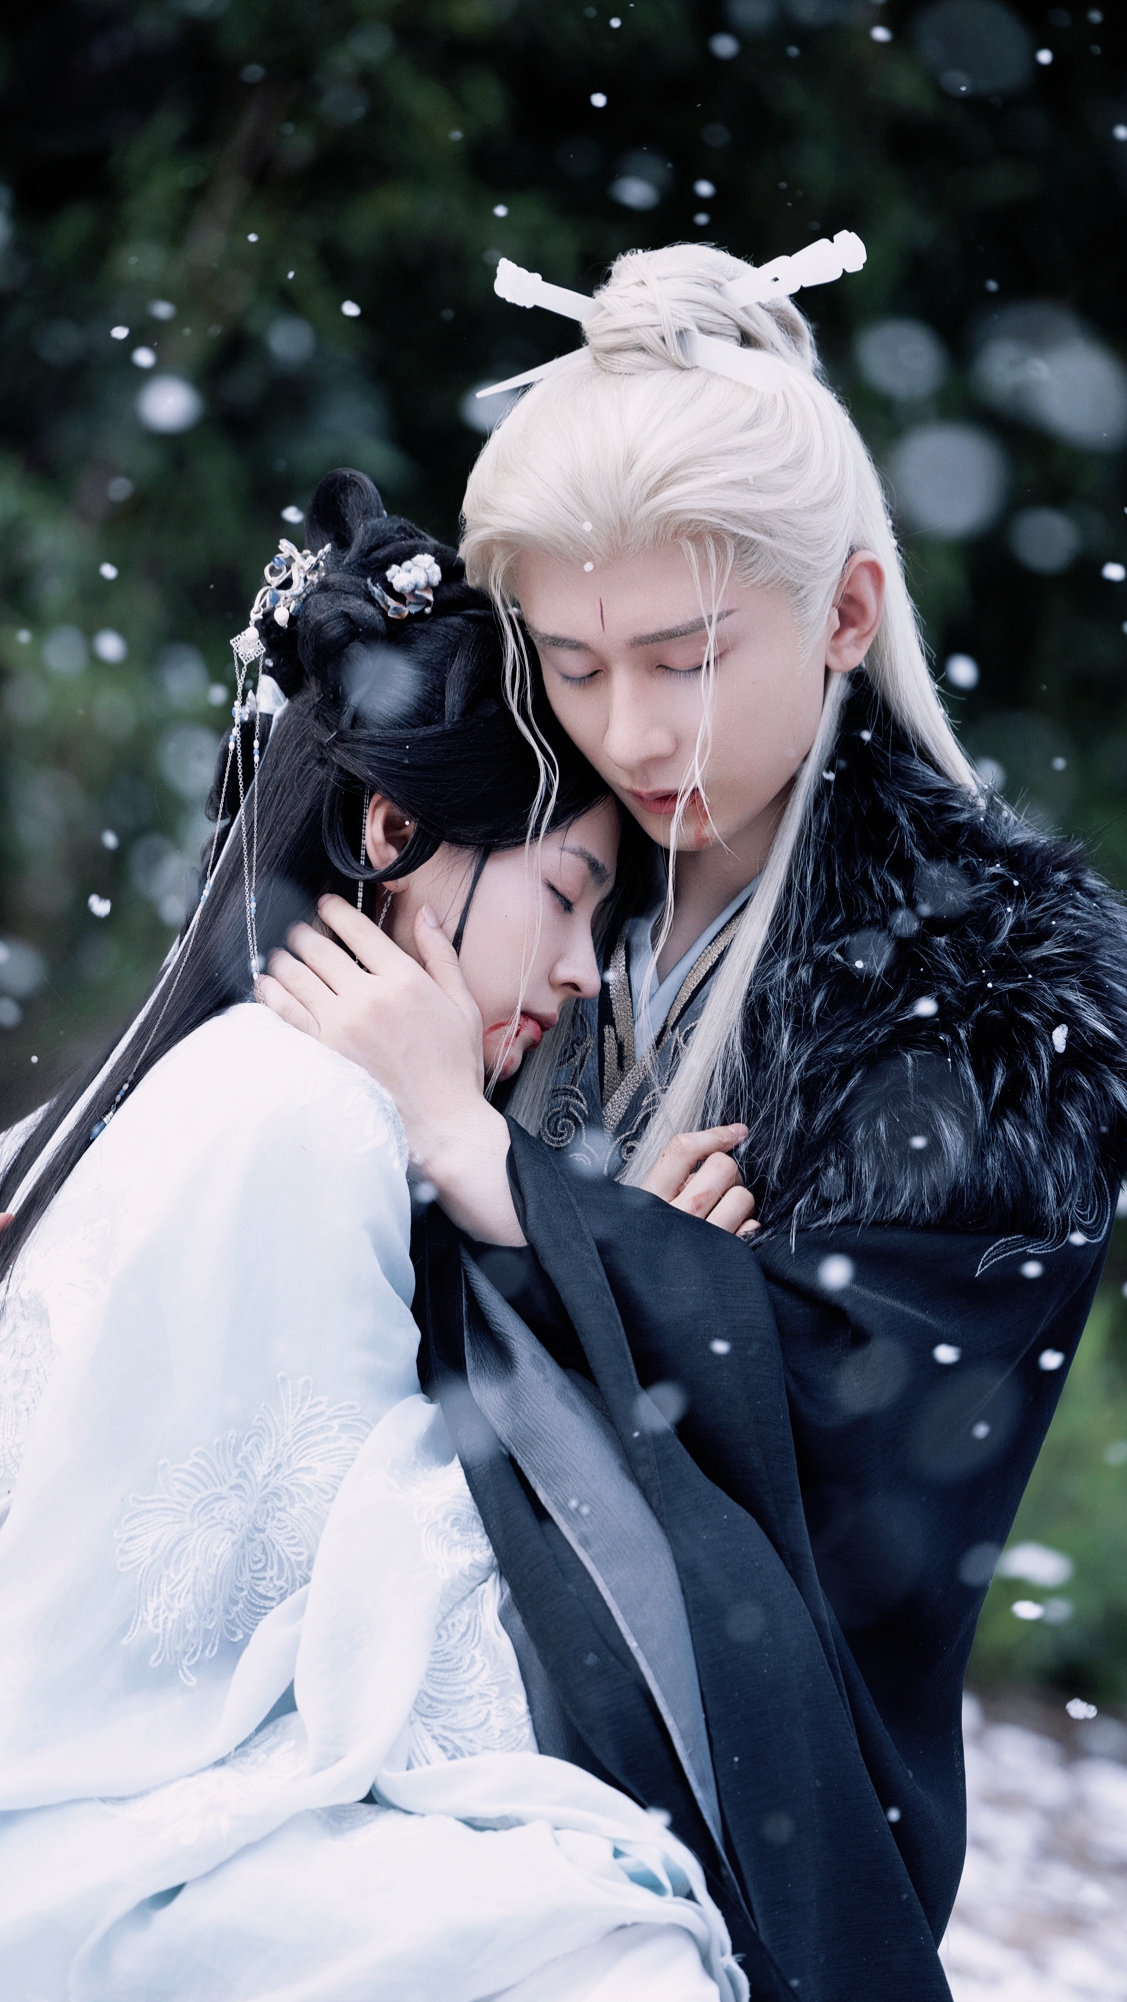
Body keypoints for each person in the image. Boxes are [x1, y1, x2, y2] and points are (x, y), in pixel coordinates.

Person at [264, 244, 1127, 2000]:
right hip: (387, 1639)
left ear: (848, 611)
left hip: (755, 1764)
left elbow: (864, 1440)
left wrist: (505, 1180)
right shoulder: (513, 844)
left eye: (687, 657)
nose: (632, 731)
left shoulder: (993, 984)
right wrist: (619, 1256)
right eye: (574, 663)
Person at [0, 469, 747, 2002]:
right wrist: (621, 1303)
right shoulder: (314, 1108)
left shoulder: (276, 1077)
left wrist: (593, 1255)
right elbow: (361, 1618)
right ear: (395, 826)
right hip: (101, 1790)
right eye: (566, 894)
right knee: (616, 1945)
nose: (582, 974)